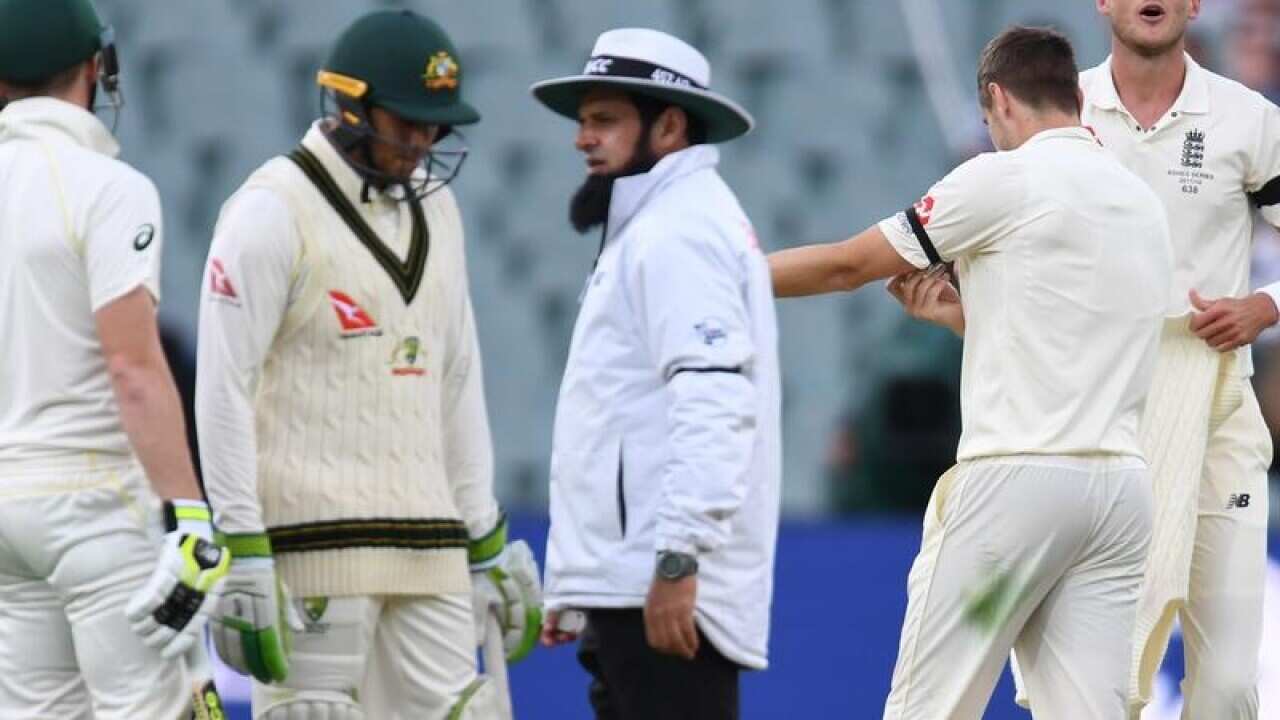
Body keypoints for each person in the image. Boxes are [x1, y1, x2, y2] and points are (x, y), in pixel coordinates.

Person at [770, 26, 1174, 719]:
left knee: (926, 709)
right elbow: (1078, 333)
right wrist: (965, 320)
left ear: (996, 100)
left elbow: (844, 266)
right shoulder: (1140, 201)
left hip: (1015, 490)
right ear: (1075, 97)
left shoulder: (1000, 176)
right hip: (1119, 495)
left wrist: (717, 277)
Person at [895, 3, 1280, 716]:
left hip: (1219, 393)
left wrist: (1269, 303)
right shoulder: (1063, 112)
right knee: (1108, 687)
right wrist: (967, 316)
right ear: (1103, 1)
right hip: (1112, 405)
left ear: (1197, 5)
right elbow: (1024, 275)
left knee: (1229, 687)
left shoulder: (1247, 120)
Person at [195, 10, 540, 719]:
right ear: (347, 102)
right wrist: (243, 545)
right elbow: (223, 387)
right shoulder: (271, 210)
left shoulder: (440, 209)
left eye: (435, 125)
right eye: (406, 121)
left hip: (431, 548)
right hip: (313, 548)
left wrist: (484, 533)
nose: (422, 142)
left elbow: (458, 377)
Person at [531, 28, 782, 720]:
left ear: (670, 125)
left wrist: (677, 559)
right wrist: (577, 581)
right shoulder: (657, 225)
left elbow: (715, 399)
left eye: (605, 119)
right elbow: (616, 414)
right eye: (583, 121)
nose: (583, 138)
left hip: (662, 590)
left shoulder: (677, 230)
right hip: (633, 583)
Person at [0, 0, 230, 717]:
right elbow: (133, 367)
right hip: (93, 504)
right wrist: (192, 518)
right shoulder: (110, 187)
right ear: (98, 69)